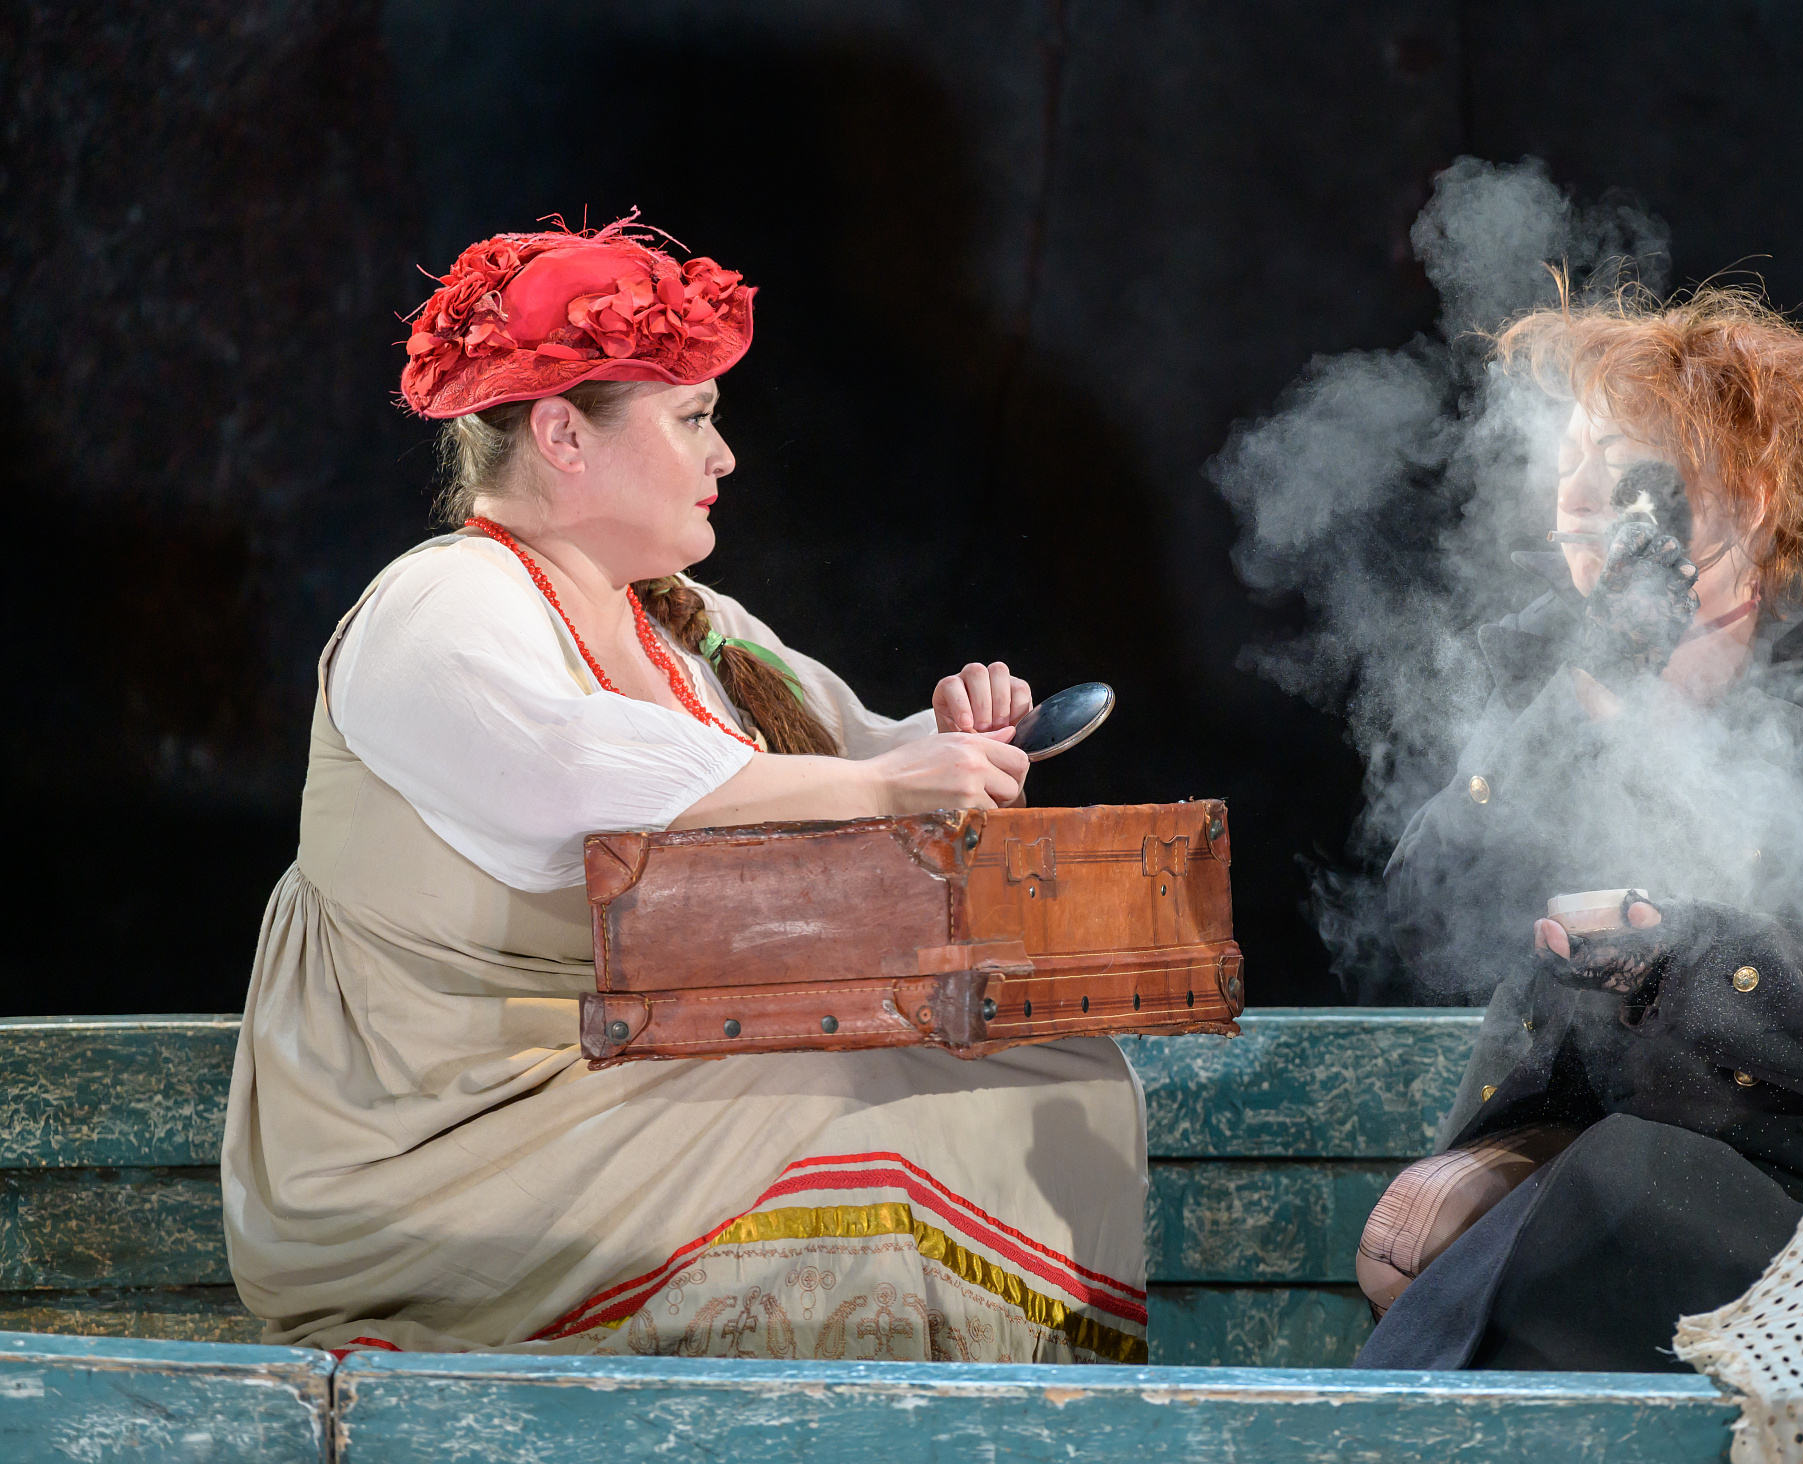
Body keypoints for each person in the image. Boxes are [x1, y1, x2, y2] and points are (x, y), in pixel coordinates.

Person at [220, 217, 1149, 1362]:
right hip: (447, 1131)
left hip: (629, 1077)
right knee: (845, 1118)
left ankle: (1011, 1426)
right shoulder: (439, 605)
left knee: (1046, 1069)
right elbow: (579, 767)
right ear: (563, 433)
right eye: (694, 418)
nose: (726, 458)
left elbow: (840, 756)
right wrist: (888, 786)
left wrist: (953, 742)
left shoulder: (685, 621)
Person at [1355, 283, 1803, 1371]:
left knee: (1615, 1194)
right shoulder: (1555, 654)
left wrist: (1696, 956)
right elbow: (1411, 913)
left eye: (1621, 469)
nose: (1575, 504)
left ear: (1747, 499)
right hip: (1575, 1149)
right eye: (1568, 463)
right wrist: (1559, 723)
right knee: (1487, 1220)